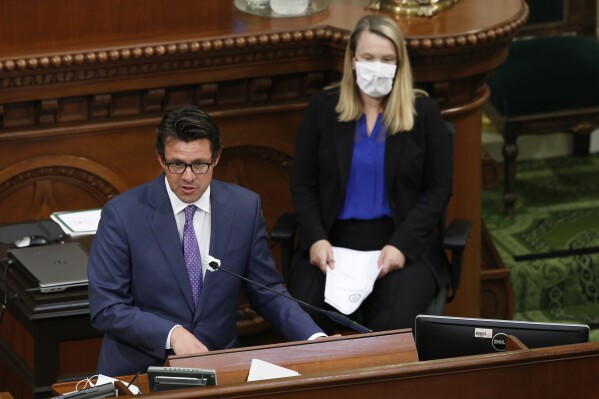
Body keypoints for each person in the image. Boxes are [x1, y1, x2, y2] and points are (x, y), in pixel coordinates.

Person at [88, 106, 325, 376]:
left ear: (216, 158)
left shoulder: (244, 208)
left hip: (217, 368)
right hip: (140, 371)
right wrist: (172, 334)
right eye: (177, 164)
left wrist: (314, 339)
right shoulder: (122, 214)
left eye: (199, 164)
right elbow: (106, 307)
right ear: (160, 158)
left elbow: (266, 289)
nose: (188, 177)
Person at [286, 14, 453, 334]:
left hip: (401, 242)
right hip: (333, 241)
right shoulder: (323, 108)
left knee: (391, 328)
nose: (377, 66)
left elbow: (438, 189)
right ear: (352, 60)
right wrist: (315, 238)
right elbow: (303, 184)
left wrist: (401, 246)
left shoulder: (424, 114)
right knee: (306, 320)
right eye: (368, 58)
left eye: (387, 59)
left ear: (399, 64)